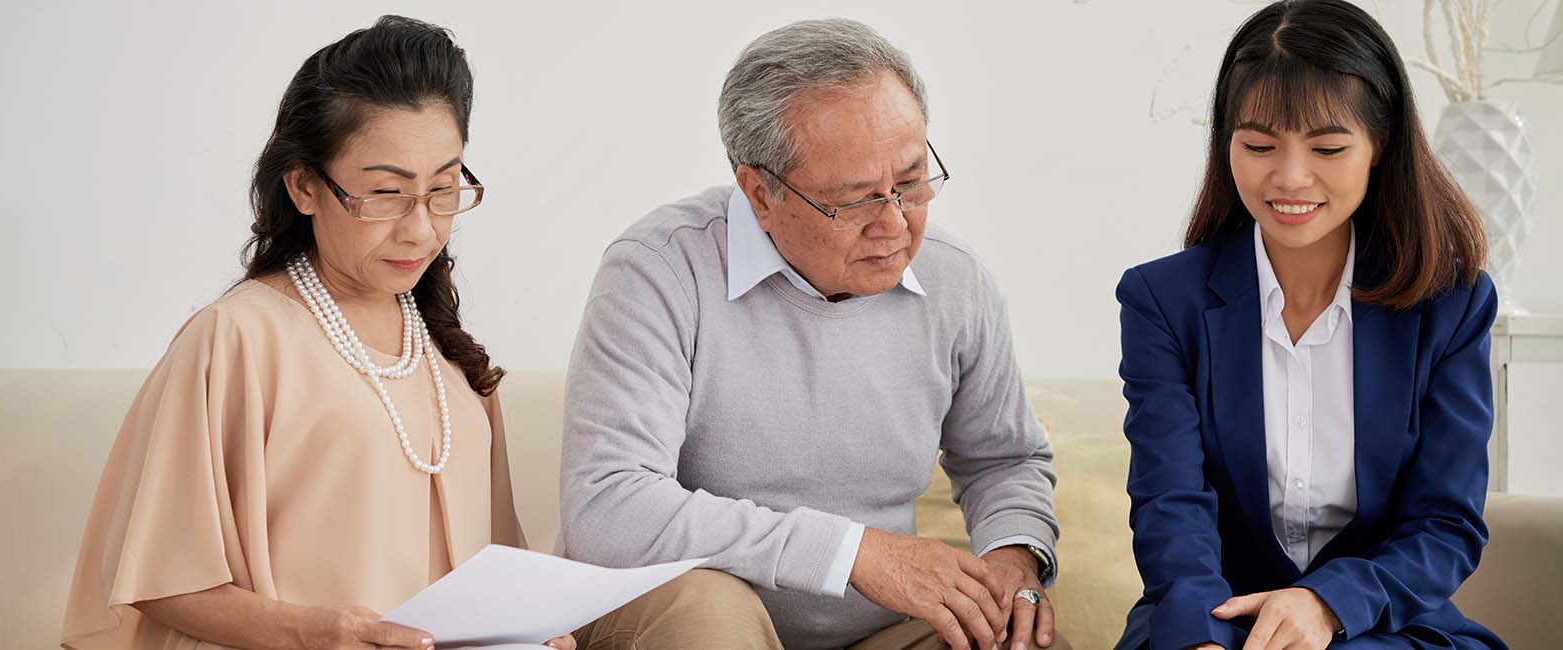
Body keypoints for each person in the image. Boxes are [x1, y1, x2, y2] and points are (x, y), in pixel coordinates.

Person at [61, 16, 573, 650]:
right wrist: (308, 632)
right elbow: (158, 579)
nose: (421, 229)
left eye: (443, 189)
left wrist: (531, 629)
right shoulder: (236, 339)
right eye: (387, 193)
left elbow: (497, 571)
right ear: (304, 185)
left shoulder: (451, 359)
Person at [558, 18, 1066, 650]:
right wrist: (855, 554)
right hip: (684, 618)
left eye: (909, 182)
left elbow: (1004, 458)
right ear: (758, 193)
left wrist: (1014, 558)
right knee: (713, 613)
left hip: (875, 633)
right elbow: (609, 506)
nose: (894, 223)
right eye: (853, 200)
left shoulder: (956, 280)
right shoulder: (659, 270)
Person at [1114, 1, 1505, 648]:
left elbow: (1445, 525)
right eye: (1259, 145)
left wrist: (1325, 603)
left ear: (1381, 145)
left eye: (1328, 146)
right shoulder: (1161, 300)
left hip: (1379, 624)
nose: (1290, 177)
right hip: (1214, 618)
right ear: (1226, 143)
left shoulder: (1451, 304)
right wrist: (1202, 638)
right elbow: (1170, 506)